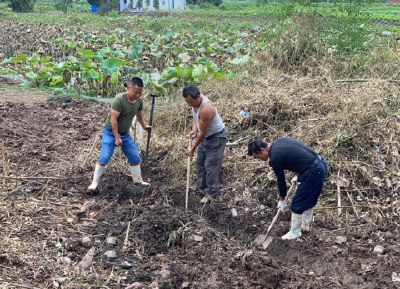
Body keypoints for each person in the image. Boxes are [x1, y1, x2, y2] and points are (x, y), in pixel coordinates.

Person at [248, 138, 327, 240]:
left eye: (258, 156)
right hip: (320, 165)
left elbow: (281, 180)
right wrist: (299, 174)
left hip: (313, 171)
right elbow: (298, 155)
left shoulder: (275, 158)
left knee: (297, 203)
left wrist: (282, 199)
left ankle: (295, 232)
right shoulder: (279, 142)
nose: (259, 159)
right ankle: (305, 226)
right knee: (309, 199)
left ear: (263, 150)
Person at [88, 77, 151, 190]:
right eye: (135, 92)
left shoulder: (139, 101)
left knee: (135, 157)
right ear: (128, 88)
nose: (138, 95)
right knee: (105, 157)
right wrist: (117, 138)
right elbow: (113, 120)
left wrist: (144, 126)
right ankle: (94, 183)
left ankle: (138, 181)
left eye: (140, 93)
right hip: (110, 132)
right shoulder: (119, 99)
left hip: (125, 133)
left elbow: (139, 114)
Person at [182, 85, 227, 201]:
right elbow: (195, 117)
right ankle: (201, 189)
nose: (189, 104)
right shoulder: (194, 103)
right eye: (187, 102)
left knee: (210, 165)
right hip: (205, 136)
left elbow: (201, 134)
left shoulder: (206, 109)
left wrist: (192, 148)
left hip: (216, 137)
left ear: (198, 97)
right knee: (200, 162)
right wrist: (193, 130)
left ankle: (211, 193)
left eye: (191, 102)